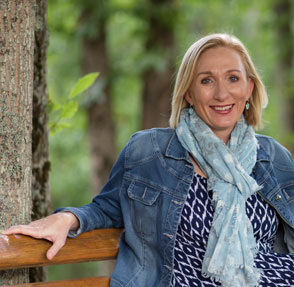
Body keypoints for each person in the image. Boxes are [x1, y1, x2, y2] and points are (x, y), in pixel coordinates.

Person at [3, 33, 294, 287]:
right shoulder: (148, 151)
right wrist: (68, 218)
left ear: (249, 89)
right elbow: (108, 208)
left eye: (233, 78)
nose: (221, 93)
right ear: (189, 93)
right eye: (207, 80)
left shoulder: (273, 158)